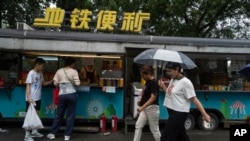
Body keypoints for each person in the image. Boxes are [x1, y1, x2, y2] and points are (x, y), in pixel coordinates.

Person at [158, 62, 211, 141]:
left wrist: (204, 114)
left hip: (178, 113)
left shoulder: (186, 82)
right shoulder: (173, 79)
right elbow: (170, 94)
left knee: (166, 137)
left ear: (177, 70)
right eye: (166, 71)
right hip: (171, 111)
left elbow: (194, 99)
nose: (168, 73)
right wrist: (163, 86)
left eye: (169, 71)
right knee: (181, 137)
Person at [47, 57, 80, 141]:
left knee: (59, 114)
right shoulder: (74, 71)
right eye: (74, 64)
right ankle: (67, 136)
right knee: (70, 115)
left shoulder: (59, 71)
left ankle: (52, 133)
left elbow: (55, 83)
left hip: (61, 95)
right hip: (71, 94)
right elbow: (78, 83)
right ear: (72, 64)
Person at [24, 58, 53, 141]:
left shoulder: (40, 73)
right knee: (29, 116)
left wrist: (51, 81)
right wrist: (29, 98)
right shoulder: (31, 73)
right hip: (31, 98)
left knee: (36, 116)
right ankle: (27, 135)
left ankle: (34, 131)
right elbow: (28, 86)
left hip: (38, 97)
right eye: (42, 66)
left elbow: (43, 83)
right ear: (37, 65)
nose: (43, 68)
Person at [133, 65, 161, 141]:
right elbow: (147, 95)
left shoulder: (154, 83)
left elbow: (153, 97)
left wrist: (142, 107)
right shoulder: (147, 82)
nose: (142, 77)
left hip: (152, 108)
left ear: (148, 73)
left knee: (154, 129)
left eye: (143, 75)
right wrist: (140, 102)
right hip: (145, 108)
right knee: (138, 125)